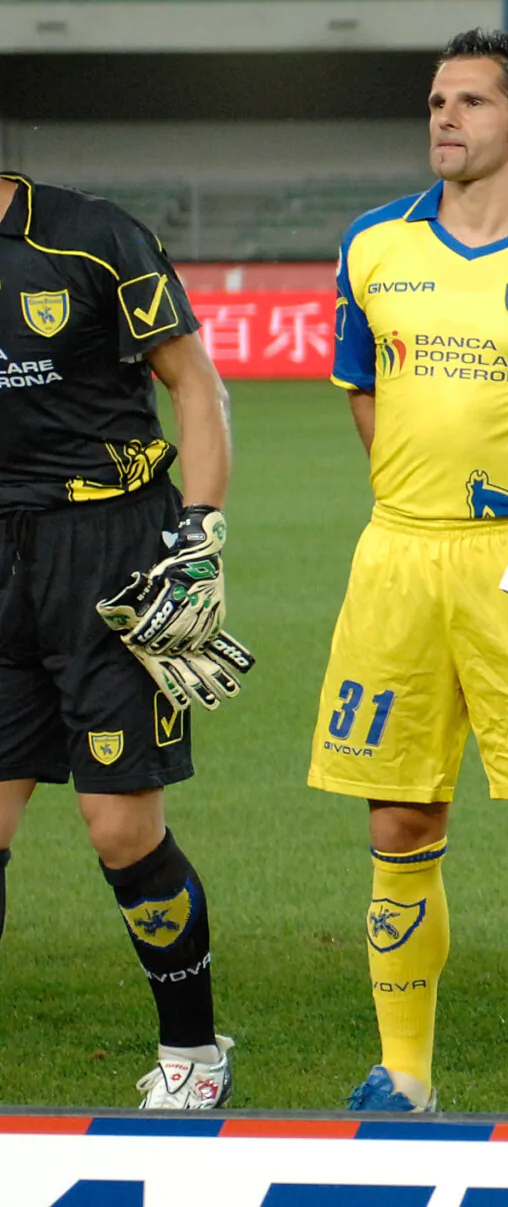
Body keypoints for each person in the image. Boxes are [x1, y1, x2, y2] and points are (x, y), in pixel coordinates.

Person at [311, 29, 508, 1115]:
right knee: (398, 816)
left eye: (471, 103)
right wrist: (420, 495)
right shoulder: (372, 246)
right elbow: (364, 387)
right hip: (397, 558)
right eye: (437, 99)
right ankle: (402, 1071)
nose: (445, 118)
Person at [0, 174, 242, 1110]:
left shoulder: (93, 236)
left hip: (106, 551)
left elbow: (196, 384)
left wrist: (202, 533)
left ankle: (194, 1052)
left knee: (120, 829)